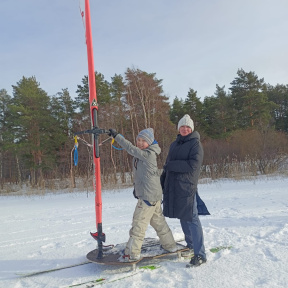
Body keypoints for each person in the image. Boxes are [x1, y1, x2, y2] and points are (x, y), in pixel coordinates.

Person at [108, 127, 177, 262]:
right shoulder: (147, 154)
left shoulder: (147, 154)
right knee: (159, 223)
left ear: (150, 142)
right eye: (138, 140)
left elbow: (130, 148)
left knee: (139, 224)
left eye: (143, 141)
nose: (140, 143)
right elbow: (151, 173)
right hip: (153, 196)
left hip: (147, 197)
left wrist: (117, 136)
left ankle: (132, 254)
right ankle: (170, 246)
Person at [160, 114, 209, 267]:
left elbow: (193, 165)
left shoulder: (195, 144)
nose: (185, 129)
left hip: (187, 186)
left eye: (188, 127)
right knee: (182, 216)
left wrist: (172, 165)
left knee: (192, 218)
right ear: (179, 128)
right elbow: (167, 165)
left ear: (191, 129)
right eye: (182, 127)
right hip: (174, 186)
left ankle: (200, 254)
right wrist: (163, 182)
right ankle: (191, 244)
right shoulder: (175, 144)